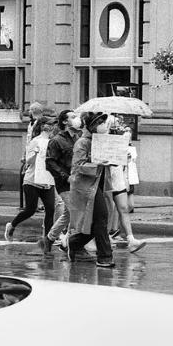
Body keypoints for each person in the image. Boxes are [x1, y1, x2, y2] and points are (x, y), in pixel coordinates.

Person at [66, 112, 116, 268]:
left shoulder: (101, 142)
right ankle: (105, 257)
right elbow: (78, 167)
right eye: (100, 123)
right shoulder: (82, 143)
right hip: (85, 188)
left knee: (98, 222)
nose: (103, 125)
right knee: (101, 219)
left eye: (104, 122)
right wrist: (99, 163)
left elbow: (107, 163)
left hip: (99, 186)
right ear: (92, 126)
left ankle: (73, 243)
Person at [5, 115, 58, 247]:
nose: (52, 128)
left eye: (53, 125)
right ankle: (12, 225)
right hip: (32, 180)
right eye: (50, 125)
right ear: (43, 127)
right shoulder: (36, 141)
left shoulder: (53, 142)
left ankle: (47, 239)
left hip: (46, 181)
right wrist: (36, 153)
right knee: (30, 209)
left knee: (50, 209)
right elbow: (28, 161)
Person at [103, 117, 147, 253]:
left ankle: (131, 239)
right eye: (114, 125)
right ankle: (105, 236)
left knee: (123, 208)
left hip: (118, 178)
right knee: (108, 210)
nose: (117, 127)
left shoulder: (121, 140)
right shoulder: (101, 140)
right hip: (106, 179)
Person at [43, 109, 81, 253]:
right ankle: (70, 244)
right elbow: (50, 163)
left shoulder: (77, 138)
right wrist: (65, 176)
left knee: (68, 214)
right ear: (65, 121)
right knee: (76, 213)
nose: (76, 119)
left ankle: (49, 238)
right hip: (64, 184)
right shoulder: (56, 140)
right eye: (73, 117)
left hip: (77, 182)